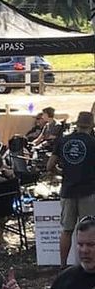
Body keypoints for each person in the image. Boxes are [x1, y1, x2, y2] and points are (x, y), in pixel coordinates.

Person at [48, 111, 95, 268]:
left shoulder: (63, 141)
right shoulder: (93, 143)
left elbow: (49, 166)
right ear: (91, 126)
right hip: (88, 191)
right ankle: (89, 265)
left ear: (77, 124)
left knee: (66, 230)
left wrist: (62, 173)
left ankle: (63, 265)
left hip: (68, 190)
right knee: (90, 230)